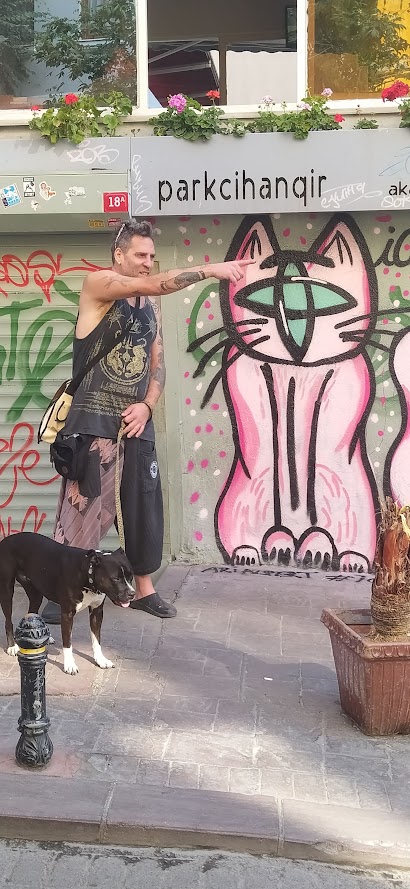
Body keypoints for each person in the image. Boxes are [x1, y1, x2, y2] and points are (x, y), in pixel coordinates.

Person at [41, 220, 253, 625]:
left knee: (142, 507)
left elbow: (158, 365)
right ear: (118, 254)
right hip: (93, 424)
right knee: (81, 510)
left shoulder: (148, 306)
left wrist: (148, 407)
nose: (147, 262)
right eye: (140, 254)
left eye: (152, 256)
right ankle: (60, 589)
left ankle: (144, 591)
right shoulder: (98, 284)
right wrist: (211, 270)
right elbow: (156, 283)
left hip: (136, 424)